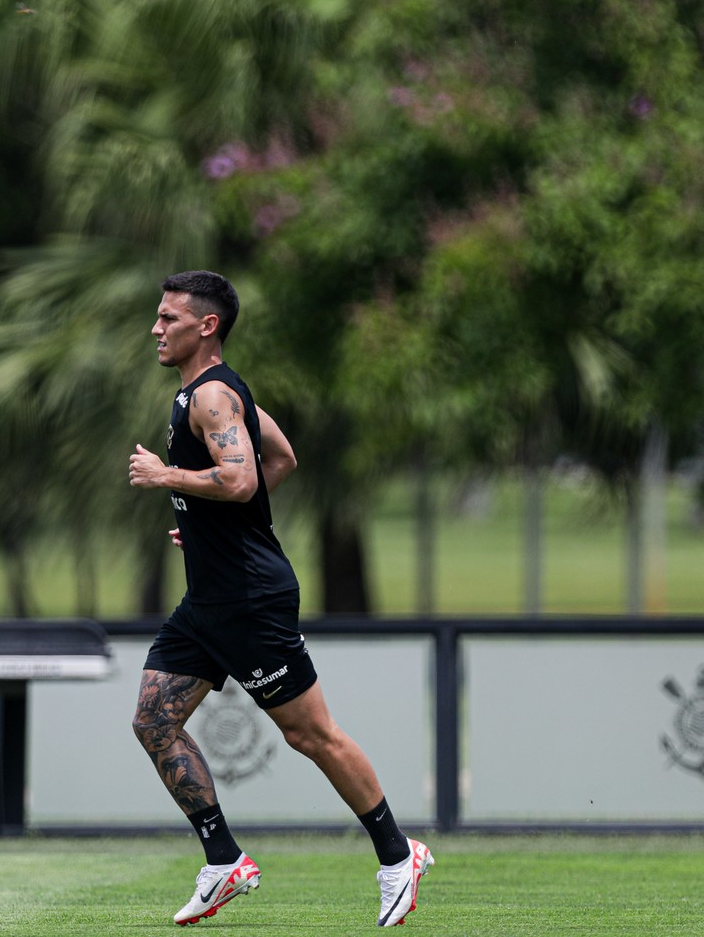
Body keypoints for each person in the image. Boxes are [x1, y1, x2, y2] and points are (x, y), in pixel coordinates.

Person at [128, 270, 433, 927]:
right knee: (153, 720)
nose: (156, 328)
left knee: (310, 734)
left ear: (206, 326)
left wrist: (166, 477)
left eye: (168, 317)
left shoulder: (211, 397)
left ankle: (396, 853)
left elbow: (240, 481)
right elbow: (282, 458)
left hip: (247, 597)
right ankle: (224, 861)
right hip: (210, 598)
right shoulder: (210, 393)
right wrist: (211, 526)